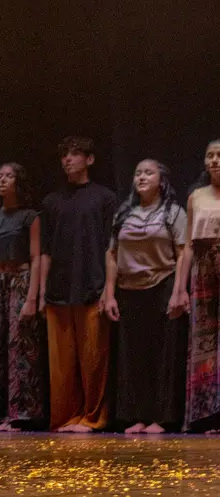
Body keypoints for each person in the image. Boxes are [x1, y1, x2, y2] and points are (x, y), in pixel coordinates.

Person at [102, 159, 188, 433]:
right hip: (129, 290)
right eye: (137, 172)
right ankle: (137, 416)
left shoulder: (173, 213)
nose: (141, 177)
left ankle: (162, 418)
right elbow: (112, 254)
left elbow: (184, 253)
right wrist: (110, 293)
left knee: (161, 355)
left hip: (162, 285)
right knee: (134, 357)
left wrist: (179, 291)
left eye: (148, 173)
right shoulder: (124, 213)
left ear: (161, 181)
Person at [39, 135, 117, 433]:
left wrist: (108, 290)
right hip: (58, 289)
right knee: (61, 365)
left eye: (74, 154)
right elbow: (45, 250)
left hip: (91, 285)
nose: (67, 160)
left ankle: (93, 417)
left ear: (90, 159)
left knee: (93, 359)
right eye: (64, 155)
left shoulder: (105, 198)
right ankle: (66, 416)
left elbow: (112, 247)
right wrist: (41, 291)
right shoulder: (51, 201)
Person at [0, 163, 46, 431]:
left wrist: (31, 297)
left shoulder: (30, 216)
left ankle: (20, 414)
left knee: (20, 347)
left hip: (20, 281)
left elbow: (36, 257)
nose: (2, 180)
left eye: (8, 176)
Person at [186, 139, 220, 431]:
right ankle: (207, 413)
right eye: (210, 155)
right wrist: (178, 289)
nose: (215, 161)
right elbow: (187, 245)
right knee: (205, 341)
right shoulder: (196, 196)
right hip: (203, 270)